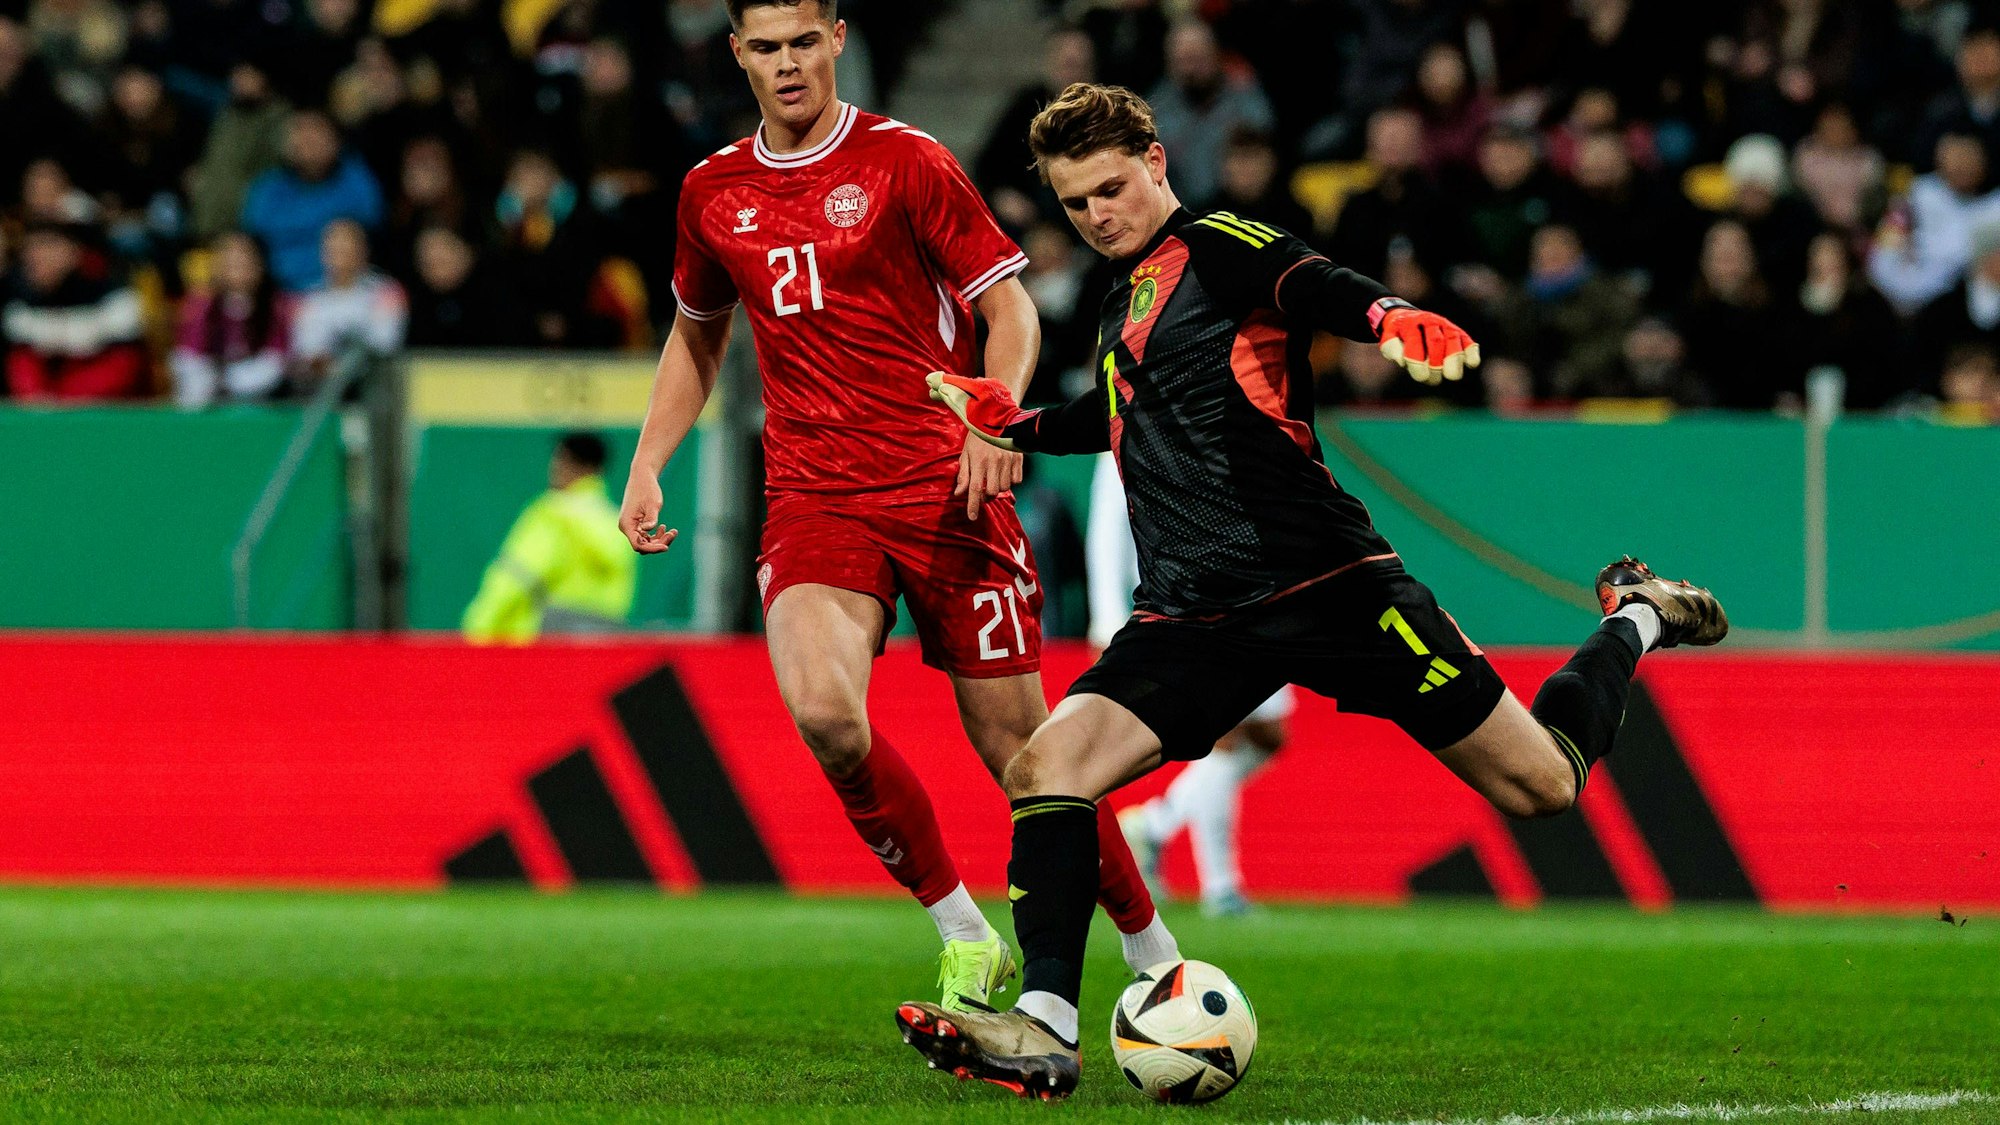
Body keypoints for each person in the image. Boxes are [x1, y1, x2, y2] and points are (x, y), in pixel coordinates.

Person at [894, 82, 1729, 1099]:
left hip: (1329, 584)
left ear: (1155, 162)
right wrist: (1012, 423)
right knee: (1045, 769)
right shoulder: (1121, 302)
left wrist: (1388, 314)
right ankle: (1044, 1024)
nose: (1097, 214)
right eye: (1075, 204)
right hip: (1193, 616)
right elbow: (1114, 414)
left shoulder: (1220, 242)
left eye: (1110, 188)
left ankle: (1635, 612)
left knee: (1543, 786)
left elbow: (1312, 280)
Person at [616, 0, 1177, 1018]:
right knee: (826, 716)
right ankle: (963, 934)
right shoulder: (712, 191)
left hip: (944, 484)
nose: (786, 66)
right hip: (815, 498)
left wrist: (989, 419)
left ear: (836, 39)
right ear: (735, 53)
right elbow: (697, 331)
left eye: (802, 43)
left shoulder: (906, 162)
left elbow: (1004, 305)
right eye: (764, 48)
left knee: (1028, 759)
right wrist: (650, 460)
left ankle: (1153, 957)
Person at [1089, 450, 1291, 918]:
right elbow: (1107, 523)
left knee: (1268, 735)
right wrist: (1105, 615)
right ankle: (1221, 887)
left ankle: (1155, 826)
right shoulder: (1129, 408)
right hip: (1177, 599)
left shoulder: (1218, 402)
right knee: (1226, 734)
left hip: (1248, 588)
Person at [464, 433, 637, 643]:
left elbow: (515, 579)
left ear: (562, 460)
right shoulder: (618, 524)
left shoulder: (552, 514)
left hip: (539, 650)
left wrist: (477, 632)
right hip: (603, 648)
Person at [171, 230, 294, 406]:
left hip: (263, 400)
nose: (237, 262)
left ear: (260, 263)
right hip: (211, 397)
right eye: (229, 256)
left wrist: (231, 380)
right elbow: (188, 358)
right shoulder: (202, 307)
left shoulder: (277, 307)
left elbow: (276, 363)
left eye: (244, 256)